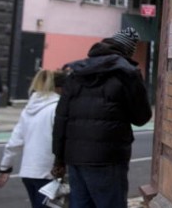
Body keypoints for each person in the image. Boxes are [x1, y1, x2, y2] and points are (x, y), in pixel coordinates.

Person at [52, 27, 152, 208]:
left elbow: (61, 119)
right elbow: (141, 117)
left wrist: (59, 158)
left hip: (75, 158)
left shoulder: (77, 72)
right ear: (128, 51)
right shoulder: (127, 74)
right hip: (108, 159)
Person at [0, 69, 66, 208]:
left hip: (28, 172)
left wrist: (5, 168)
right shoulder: (58, 108)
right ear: (59, 88)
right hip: (49, 172)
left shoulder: (29, 108)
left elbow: (15, 141)